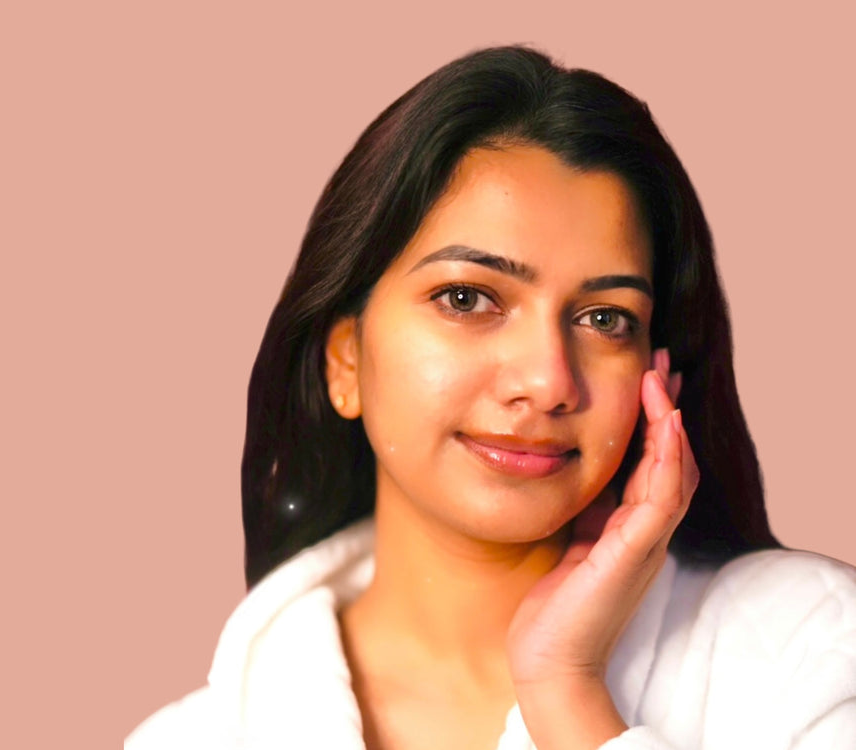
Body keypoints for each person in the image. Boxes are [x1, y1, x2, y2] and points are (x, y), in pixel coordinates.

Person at [126, 46, 856, 750]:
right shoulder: (186, 742)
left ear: (657, 374)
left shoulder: (806, 646)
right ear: (344, 360)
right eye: (467, 298)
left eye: (605, 319)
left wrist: (566, 692)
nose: (547, 381)